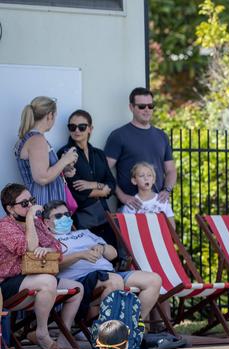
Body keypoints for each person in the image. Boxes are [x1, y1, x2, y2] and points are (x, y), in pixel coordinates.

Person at [42, 200, 162, 320]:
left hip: (109, 274)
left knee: (154, 280)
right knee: (114, 281)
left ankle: (130, 327)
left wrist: (103, 248)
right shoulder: (48, 241)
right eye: (58, 216)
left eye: (67, 214)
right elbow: (53, 266)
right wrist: (80, 255)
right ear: (47, 222)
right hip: (83, 279)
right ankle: (109, 335)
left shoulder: (85, 233)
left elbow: (113, 254)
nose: (64, 218)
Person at [0, 183, 83, 349]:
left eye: (31, 201)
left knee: (77, 288)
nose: (30, 206)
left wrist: (47, 249)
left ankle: (64, 336)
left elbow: (58, 249)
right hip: (9, 284)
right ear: (10, 208)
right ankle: (42, 332)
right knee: (48, 281)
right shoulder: (4, 226)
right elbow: (28, 247)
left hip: (34, 277)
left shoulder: (38, 223)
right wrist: (30, 218)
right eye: (24, 204)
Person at [57, 110, 120, 257]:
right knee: (91, 259)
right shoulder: (65, 154)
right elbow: (76, 191)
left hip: (104, 215)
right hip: (81, 219)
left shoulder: (98, 154)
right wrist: (103, 190)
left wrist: (93, 185)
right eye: (72, 127)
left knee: (112, 255)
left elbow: (111, 183)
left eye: (82, 127)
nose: (77, 130)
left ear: (90, 128)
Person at [105, 87, 177, 211]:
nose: (147, 110)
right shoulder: (119, 135)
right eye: (142, 106)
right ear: (131, 107)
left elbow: (171, 170)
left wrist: (167, 190)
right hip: (130, 209)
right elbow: (104, 170)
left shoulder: (162, 136)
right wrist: (122, 196)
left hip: (157, 208)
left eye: (150, 106)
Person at [15, 96, 79, 205]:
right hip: (44, 205)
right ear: (50, 115)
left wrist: (63, 169)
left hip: (45, 203)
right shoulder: (37, 139)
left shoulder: (32, 138)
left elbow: (43, 171)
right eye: (55, 116)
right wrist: (65, 160)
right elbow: (42, 178)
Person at [120, 162, 175, 229]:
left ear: (153, 179)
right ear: (134, 181)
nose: (146, 178)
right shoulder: (131, 204)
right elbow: (127, 230)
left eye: (149, 175)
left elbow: (172, 227)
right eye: (141, 176)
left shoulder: (162, 201)